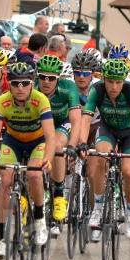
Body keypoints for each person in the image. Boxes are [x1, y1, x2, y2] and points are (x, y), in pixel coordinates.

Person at [80, 59, 130, 241]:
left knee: (128, 171)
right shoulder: (97, 90)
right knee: (100, 158)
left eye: (118, 82)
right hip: (108, 130)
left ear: (123, 81)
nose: (113, 86)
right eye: (110, 81)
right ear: (103, 79)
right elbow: (86, 119)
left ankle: (129, 213)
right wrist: (81, 142)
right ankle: (97, 207)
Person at [0, 62, 56, 254]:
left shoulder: (41, 100)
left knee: (34, 175)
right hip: (13, 141)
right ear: (9, 84)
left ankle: (39, 218)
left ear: (32, 83)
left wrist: (48, 158)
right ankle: (3, 237)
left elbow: (51, 135)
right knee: (5, 181)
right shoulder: (2, 102)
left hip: (37, 141)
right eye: (15, 83)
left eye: (25, 83)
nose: (20, 88)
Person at [35, 55, 81, 234]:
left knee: (57, 147)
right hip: (39, 125)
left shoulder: (68, 88)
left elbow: (76, 120)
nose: (46, 82)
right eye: (43, 77)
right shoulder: (33, 87)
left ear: (58, 78)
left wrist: (72, 144)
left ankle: (59, 195)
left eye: (51, 78)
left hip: (62, 124)